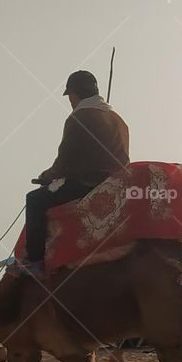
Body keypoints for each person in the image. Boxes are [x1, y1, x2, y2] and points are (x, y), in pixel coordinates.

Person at [24, 69, 130, 271]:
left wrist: (46, 176)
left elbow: (64, 161)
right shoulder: (119, 120)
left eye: (70, 96)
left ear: (75, 94)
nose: (70, 101)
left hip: (86, 185)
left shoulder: (78, 118)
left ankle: (35, 262)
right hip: (116, 186)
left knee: (34, 200)